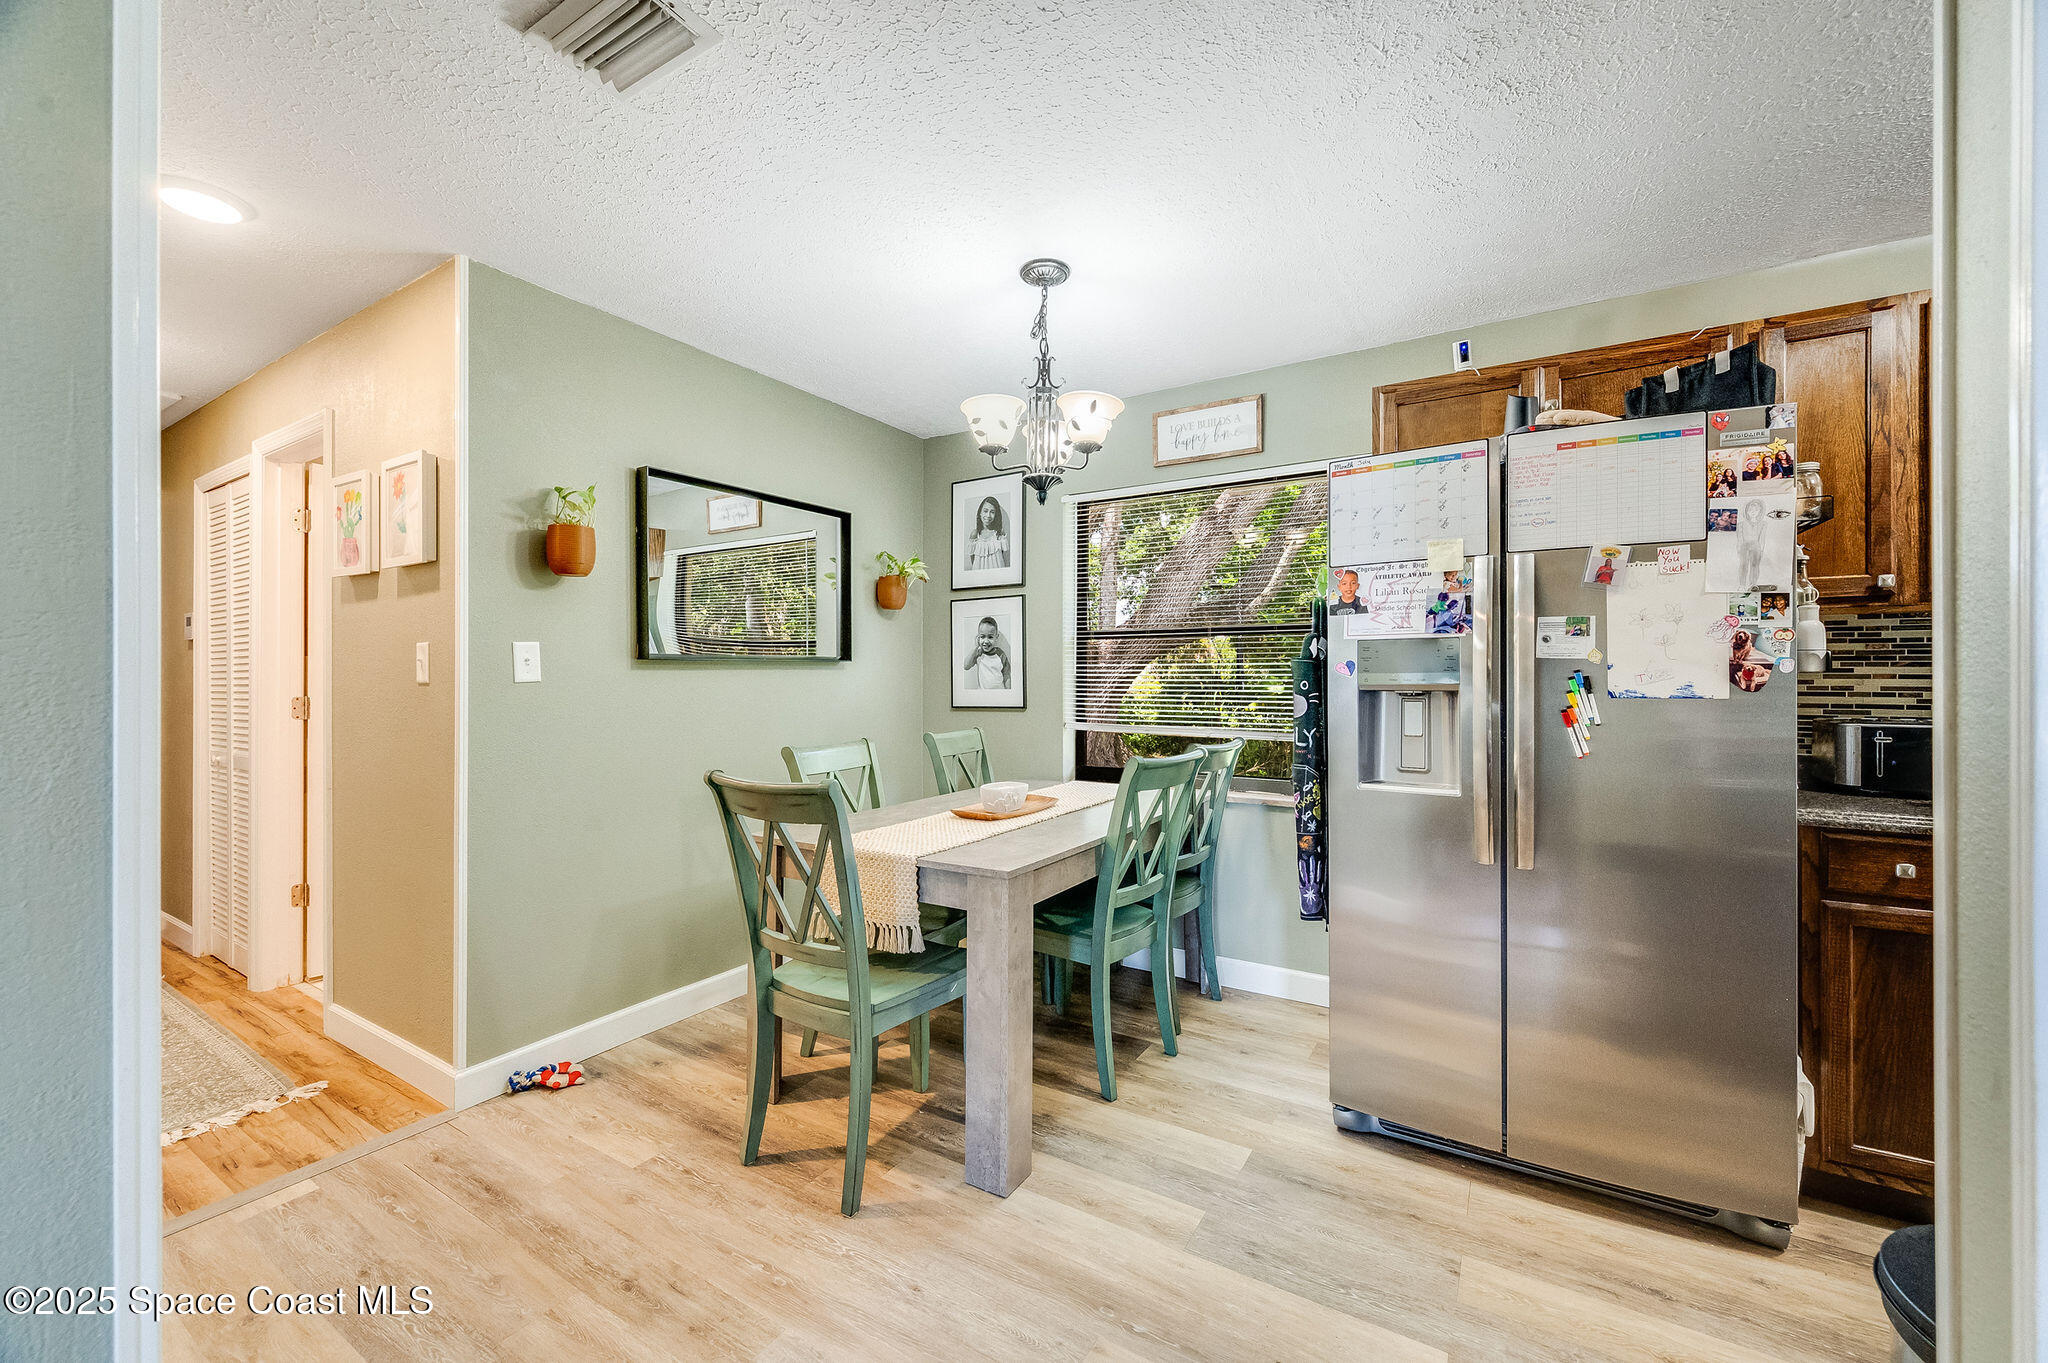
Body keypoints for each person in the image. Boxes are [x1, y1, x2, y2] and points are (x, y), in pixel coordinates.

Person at [962, 616, 1012, 690]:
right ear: (978, 638)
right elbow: (966, 666)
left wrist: (1008, 692)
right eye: (982, 637)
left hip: (999, 693)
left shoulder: (1001, 654)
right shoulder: (978, 653)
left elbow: (1007, 675)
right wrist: (975, 647)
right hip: (983, 695)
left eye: (990, 637)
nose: (986, 641)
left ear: (996, 637)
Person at [965, 496, 1008, 571]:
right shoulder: (975, 534)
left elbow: (1002, 556)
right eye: (985, 511)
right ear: (980, 513)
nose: (988, 515)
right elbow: (973, 560)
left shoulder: (999, 533)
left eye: (992, 512)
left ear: (996, 515)